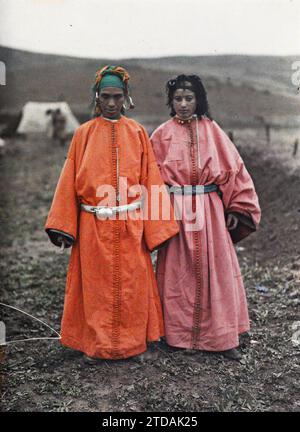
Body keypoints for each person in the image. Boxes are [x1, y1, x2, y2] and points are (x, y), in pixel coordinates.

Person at [44, 66, 179, 362]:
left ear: (126, 98)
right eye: (105, 96)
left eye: (117, 96)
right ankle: (96, 345)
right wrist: (63, 225)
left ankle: (133, 344)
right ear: (97, 97)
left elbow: (150, 179)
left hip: (131, 224)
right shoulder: (83, 134)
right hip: (93, 225)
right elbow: (68, 179)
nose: (111, 103)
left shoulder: (138, 133)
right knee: (95, 288)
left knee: (132, 285)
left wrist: (157, 227)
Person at [150, 74, 261, 360]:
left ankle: (223, 338)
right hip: (176, 211)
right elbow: (147, 177)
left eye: (189, 99)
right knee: (177, 274)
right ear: (171, 102)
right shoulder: (161, 135)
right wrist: (156, 215)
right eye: (178, 99)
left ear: (198, 100)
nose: (184, 104)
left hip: (210, 212)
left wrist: (237, 208)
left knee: (216, 272)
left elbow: (236, 170)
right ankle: (176, 336)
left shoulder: (213, 131)